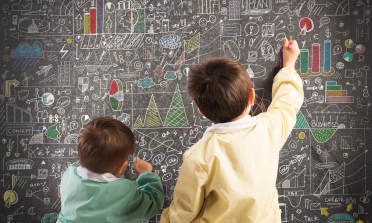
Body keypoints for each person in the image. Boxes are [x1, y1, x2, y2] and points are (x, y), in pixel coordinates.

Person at [161, 38, 303, 223]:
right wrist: (289, 65)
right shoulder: (270, 128)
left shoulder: (198, 157)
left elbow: (182, 213)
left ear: (201, 111)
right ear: (252, 96)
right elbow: (287, 102)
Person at [57, 117, 164, 223]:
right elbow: (153, 203)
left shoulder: (69, 174)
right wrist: (145, 174)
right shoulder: (126, 191)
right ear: (122, 165)